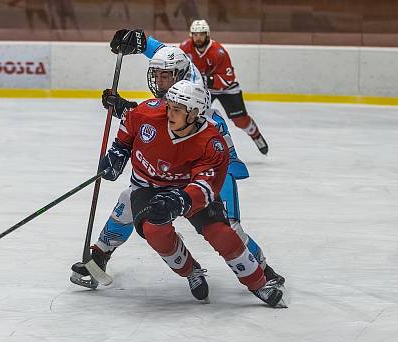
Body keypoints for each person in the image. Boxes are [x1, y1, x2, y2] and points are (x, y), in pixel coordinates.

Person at [70, 30, 284, 294]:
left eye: (166, 76)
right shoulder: (173, 93)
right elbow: (158, 111)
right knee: (129, 199)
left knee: (228, 226)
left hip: (213, 167)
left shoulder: (192, 95)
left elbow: (175, 115)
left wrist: (126, 106)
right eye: (157, 75)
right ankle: (100, 255)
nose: (160, 81)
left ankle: (263, 270)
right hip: (175, 167)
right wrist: (140, 47)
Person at [180, 19, 269, 155]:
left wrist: (205, 79)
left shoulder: (218, 52)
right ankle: (196, 148)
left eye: (201, 34)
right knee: (195, 116)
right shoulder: (185, 47)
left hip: (227, 90)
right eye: (195, 34)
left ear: (207, 34)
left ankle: (255, 134)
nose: (198, 38)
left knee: (240, 121)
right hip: (203, 90)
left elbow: (228, 78)